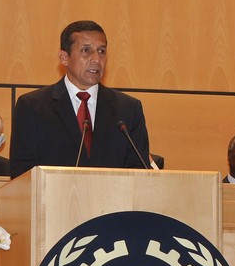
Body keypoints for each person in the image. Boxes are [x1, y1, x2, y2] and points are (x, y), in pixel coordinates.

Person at [9, 20, 150, 178]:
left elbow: (140, 171)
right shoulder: (33, 107)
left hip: (112, 201)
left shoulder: (128, 109)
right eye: (86, 50)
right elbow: (21, 173)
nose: (96, 59)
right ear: (64, 58)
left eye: (102, 51)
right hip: (54, 201)